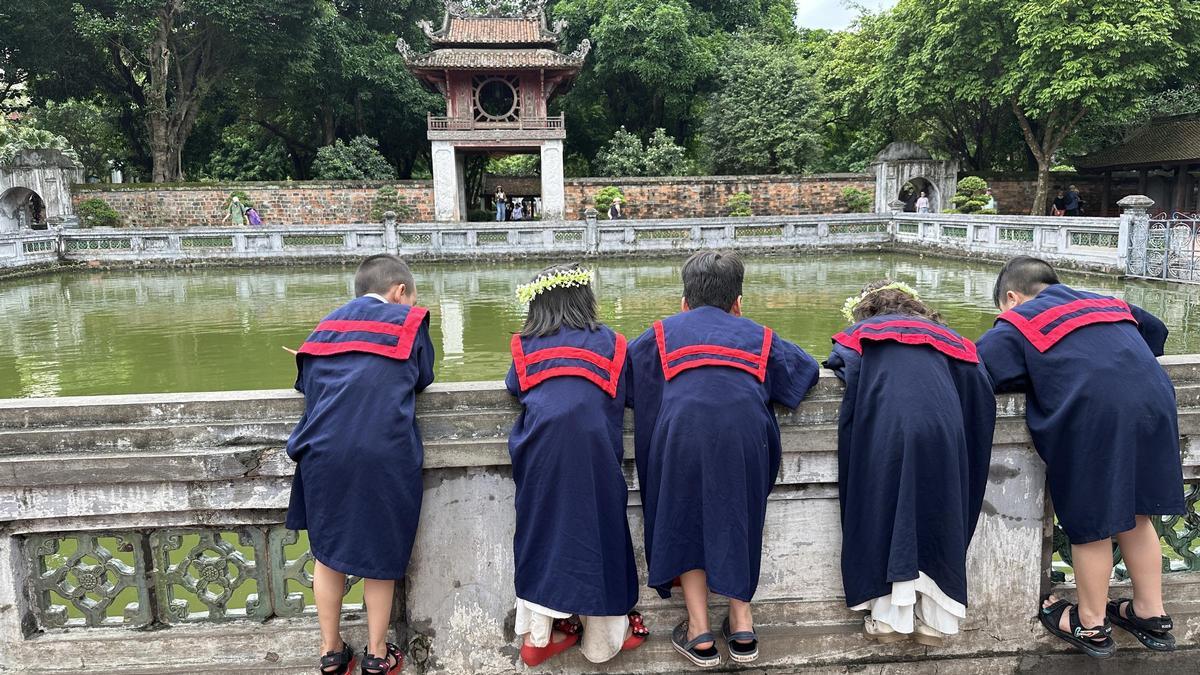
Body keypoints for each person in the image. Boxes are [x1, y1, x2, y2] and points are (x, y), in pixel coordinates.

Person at [976, 256, 1183, 659]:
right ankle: (1150, 613)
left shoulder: (1019, 320)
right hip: (1154, 402)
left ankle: (1090, 623)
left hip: (1096, 412)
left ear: (1012, 298)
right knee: (1139, 514)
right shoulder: (1107, 301)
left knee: (1093, 522)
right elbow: (1156, 331)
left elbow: (983, 368)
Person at [627, 251, 820, 669]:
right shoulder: (758, 336)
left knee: (687, 521)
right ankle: (742, 624)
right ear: (738, 303)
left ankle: (699, 632)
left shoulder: (660, 335)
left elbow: (625, 384)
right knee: (739, 517)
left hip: (679, 437)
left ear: (684, 301)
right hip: (745, 437)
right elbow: (804, 374)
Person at [285, 254, 436, 675]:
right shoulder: (409, 322)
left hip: (322, 453)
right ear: (399, 292)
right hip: (382, 453)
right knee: (379, 558)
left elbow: (308, 384)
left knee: (327, 556)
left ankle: (331, 652)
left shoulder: (324, 327)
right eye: (409, 298)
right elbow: (422, 377)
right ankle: (376, 655)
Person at [825, 281, 995, 647]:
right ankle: (936, 620)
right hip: (944, 428)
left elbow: (843, 365)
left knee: (885, 511)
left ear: (867, 310)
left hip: (888, 425)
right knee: (940, 514)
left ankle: (888, 617)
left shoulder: (862, 333)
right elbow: (980, 385)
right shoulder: (951, 339)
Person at [505, 263, 649, 667]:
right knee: (599, 535)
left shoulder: (525, 345)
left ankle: (538, 636)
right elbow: (629, 393)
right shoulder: (613, 343)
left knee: (540, 534)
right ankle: (603, 640)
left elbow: (515, 387)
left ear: (538, 306)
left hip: (539, 457)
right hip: (595, 456)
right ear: (586, 300)